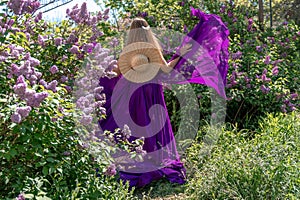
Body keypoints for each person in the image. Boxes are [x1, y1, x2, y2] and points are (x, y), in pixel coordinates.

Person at [99, 8, 229, 188]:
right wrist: (181, 54)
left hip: (131, 95)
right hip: (150, 92)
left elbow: (117, 74)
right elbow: (166, 69)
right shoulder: (151, 50)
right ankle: (153, 163)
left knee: (132, 129)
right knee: (151, 129)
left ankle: (133, 165)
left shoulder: (127, 52)